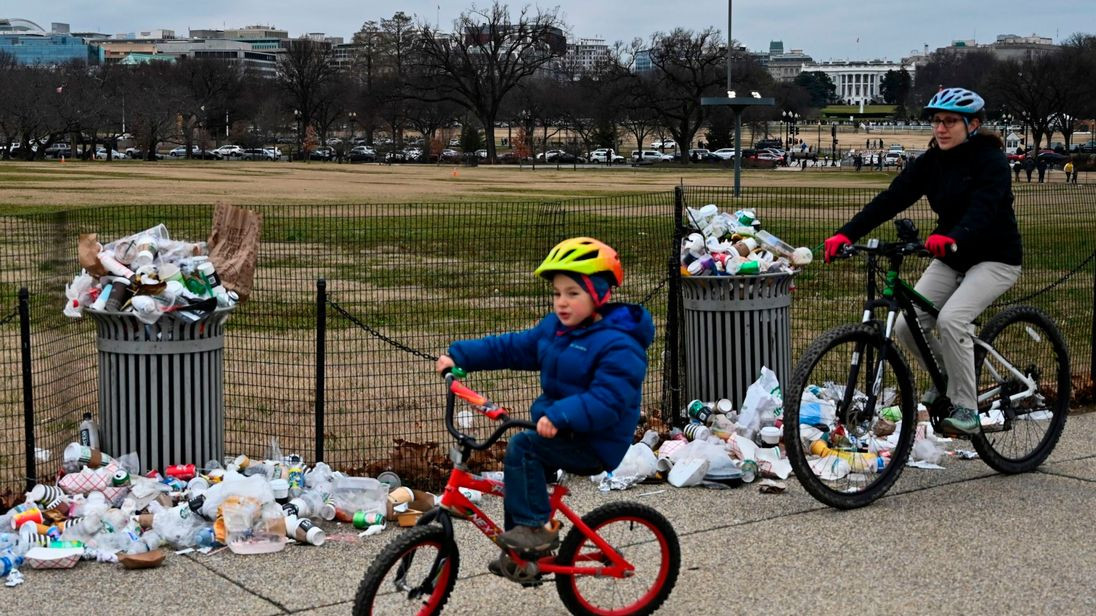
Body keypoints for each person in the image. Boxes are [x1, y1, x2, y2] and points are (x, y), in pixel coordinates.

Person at [435, 237, 654, 570]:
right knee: (520, 466)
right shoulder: (557, 330)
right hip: (563, 430)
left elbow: (608, 400)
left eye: (573, 293)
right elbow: (511, 347)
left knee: (524, 448)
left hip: (596, 440)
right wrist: (459, 355)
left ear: (598, 296)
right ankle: (523, 553)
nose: (562, 303)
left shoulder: (620, 346)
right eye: (557, 293)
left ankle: (535, 532)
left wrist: (560, 415)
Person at [822, 87, 1022, 436]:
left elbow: (985, 207)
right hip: (951, 257)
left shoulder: (990, 161)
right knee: (904, 325)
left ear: (972, 124)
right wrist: (846, 234)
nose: (941, 129)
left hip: (995, 258)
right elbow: (891, 199)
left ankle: (967, 408)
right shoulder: (931, 162)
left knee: (953, 321)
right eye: (936, 122)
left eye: (949, 122)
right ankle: (946, 377)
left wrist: (955, 236)